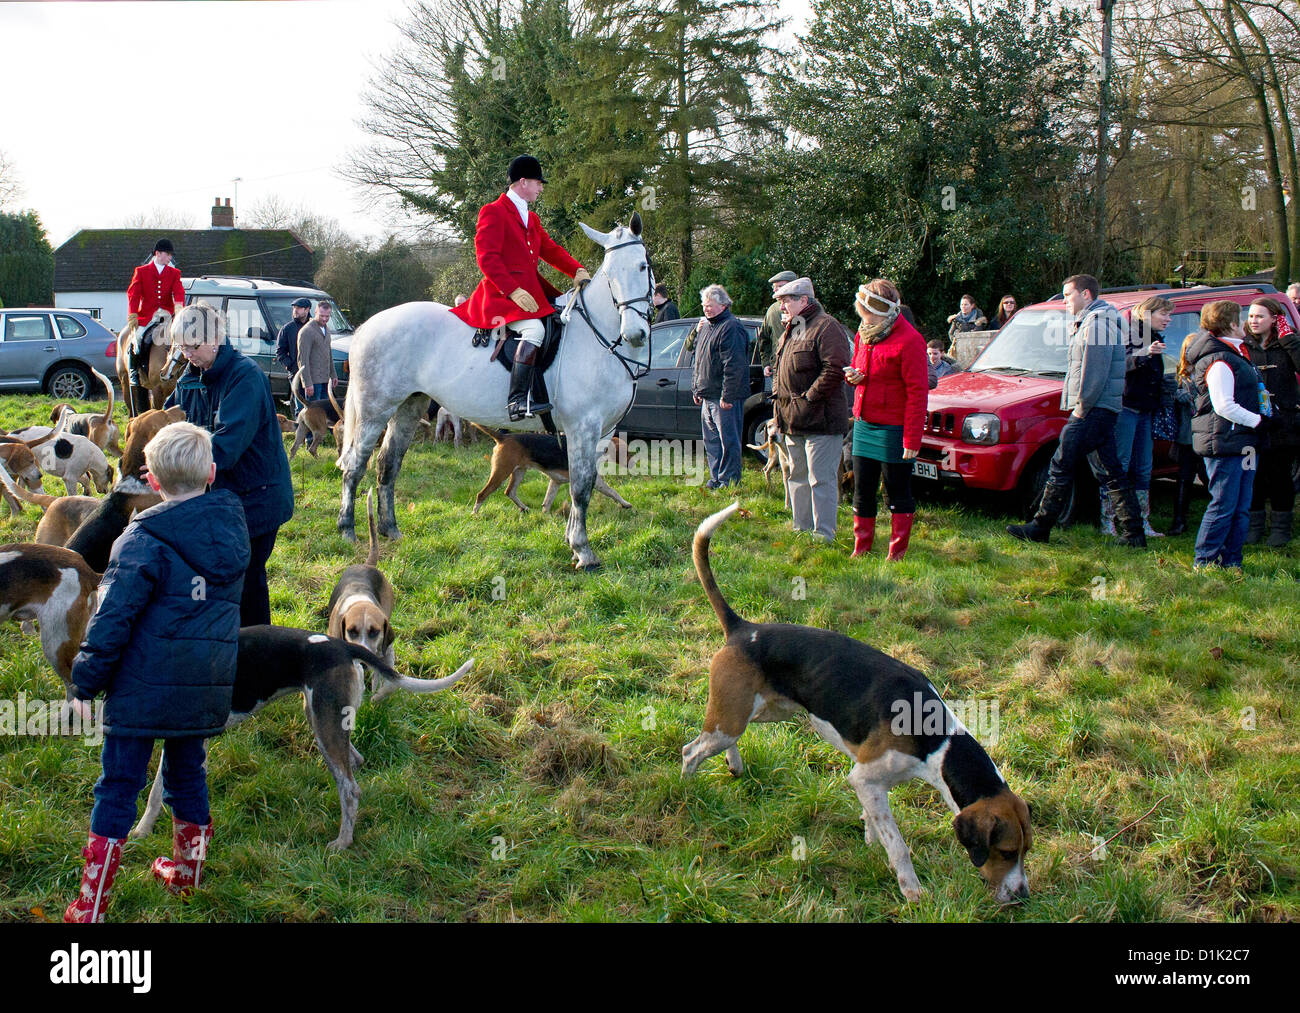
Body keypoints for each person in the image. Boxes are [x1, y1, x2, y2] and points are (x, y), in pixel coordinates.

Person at [62, 422, 251, 922]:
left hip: (140, 690)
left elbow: (112, 620)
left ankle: (92, 902)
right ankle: (187, 874)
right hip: (205, 682)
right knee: (189, 773)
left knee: (118, 785)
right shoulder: (235, 530)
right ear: (212, 472)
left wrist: (84, 681)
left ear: (151, 480)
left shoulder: (140, 540)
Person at [167, 302, 294, 626]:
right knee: (225, 575)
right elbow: (169, 421)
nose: (186, 355)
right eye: (181, 347)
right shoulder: (191, 376)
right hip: (223, 496)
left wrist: (172, 468)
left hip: (257, 496)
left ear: (215, 339)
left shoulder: (245, 377)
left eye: (192, 346)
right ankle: (227, 643)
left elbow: (225, 446)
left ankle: (259, 655)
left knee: (248, 578)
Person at [1006, 274, 1146, 546]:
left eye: (1068, 294)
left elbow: (1095, 371)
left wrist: (1081, 407)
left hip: (1092, 409)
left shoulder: (1097, 325)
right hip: (1100, 408)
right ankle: (1133, 533)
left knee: (1060, 464)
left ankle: (1041, 526)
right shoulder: (1095, 322)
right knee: (1111, 471)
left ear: (1086, 295)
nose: (1065, 300)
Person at [449, 155, 590, 420]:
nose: (541, 187)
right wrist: (512, 290)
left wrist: (577, 269)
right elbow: (487, 258)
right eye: (538, 182)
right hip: (500, 295)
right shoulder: (493, 211)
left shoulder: (532, 219)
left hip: (532, 295)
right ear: (523, 182)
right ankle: (516, 401)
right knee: (534, 330)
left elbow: (550, 250)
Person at [844, 278, 928, 560]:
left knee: (897, 492)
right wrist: (855, 376)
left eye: (868, 314)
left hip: (895, 428)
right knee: (862, 489)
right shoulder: (863, 333)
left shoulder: (911, 340)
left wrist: (912, 438)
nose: (865, 319)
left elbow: (918, 393)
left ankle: (897, 553)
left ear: (882, 310)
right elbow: (860, 367)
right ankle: (862, 548)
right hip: (865, 423)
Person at [1181, 300, 1265, 569]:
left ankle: (1232, 562)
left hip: (1245, 442)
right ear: (1230, 324)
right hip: (1225, 442)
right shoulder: (1218, 359)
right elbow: (1224, 405)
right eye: (1240, 319)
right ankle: (1204, 562)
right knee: (1223, 506)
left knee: (1241, 507)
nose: (1245, 324)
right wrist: (1259, 422)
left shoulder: (1236, 352)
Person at [770, 277, 851, 541]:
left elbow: (835, 368)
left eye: (786, 300)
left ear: (804, 300)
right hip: (793, 421)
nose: (782, 305)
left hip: (821, 422)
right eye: (781, 301)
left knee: (821, 480)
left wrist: (808, 399)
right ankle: (800, 530)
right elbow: (780, 371)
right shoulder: (791, 329)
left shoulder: (827, 327)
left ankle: (823, 535)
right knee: (797, 476)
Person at [1099, 296, 1171, 537]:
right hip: (1126, 409)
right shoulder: (1130, 334)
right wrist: (1145, 354)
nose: (1168, 319)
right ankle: (1108, 521)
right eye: (1164, 314)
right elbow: (1120, 365)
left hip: (1145, 411)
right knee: (1120, 465)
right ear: (1149, 313)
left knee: (1143, 468)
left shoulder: (1155, 337)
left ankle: (1142, 522)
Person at [1241, 296, 1300, 546]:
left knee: (1280, 476)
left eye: (1260, 316)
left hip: (1283, 422)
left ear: (1274, 319)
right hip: (1251, 421)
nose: (1254, 320)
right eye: (1251, 315)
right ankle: (1253, 525)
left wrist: (1289, 341)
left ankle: (1280, 528)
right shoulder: (1243, 345)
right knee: (1252, 473)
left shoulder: (1286, 344)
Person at [691, 284, 749, 489]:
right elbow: (698, 359)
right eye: (704, 305)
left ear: (723, 305)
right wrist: (696, 389)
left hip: (724, 398)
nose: (706, 309)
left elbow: (734, 365)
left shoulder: (731, 327)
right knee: (712, 442)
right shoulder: (705, 326)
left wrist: (728, 396)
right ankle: (716, 478)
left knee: (728, 442)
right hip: (707, 395)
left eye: (710, 305)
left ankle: (729, 480)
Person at [125, 238, 185, 415]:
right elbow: (133, 293)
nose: (170, 258)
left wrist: (179, 309)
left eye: (170, 255)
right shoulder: (142, 271)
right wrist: (133, 314)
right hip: (147, 317)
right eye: (168, 254)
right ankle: (134, 373)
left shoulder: (174, 273)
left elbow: (178, 291)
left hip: (167, 317)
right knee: (137, 340)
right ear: (158, 253)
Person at [275, 297, 312, 415]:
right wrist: (290, 365)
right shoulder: (287, 329)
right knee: (300, 406)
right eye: (294, 308)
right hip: (296, 373)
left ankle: (312, 432)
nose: (295, 310)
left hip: (314, 373)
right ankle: (300, 432)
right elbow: (280, 351)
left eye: (299, 308)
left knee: (314, 406)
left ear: (307, 310)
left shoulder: (315, 327)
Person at [297, 300, 337, 407]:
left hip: (325, 380)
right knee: (313, 415)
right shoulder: (307, 331)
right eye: (321, 316)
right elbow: (302, 360)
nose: (324, 319)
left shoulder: (326, 329)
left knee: (325, 414)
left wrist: (333, 375)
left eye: (327, 316)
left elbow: (329, 354)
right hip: (313, 382)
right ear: (315, 312)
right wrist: (307, 383)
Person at [757, 270, 797, 374]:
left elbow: (803, 340)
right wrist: (766, 364)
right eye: (774, 287)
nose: (775, 290)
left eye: (779, 286)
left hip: (797, 370)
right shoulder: (772, 311)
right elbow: (764, 339)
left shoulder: (802, 307)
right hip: (776, 370)